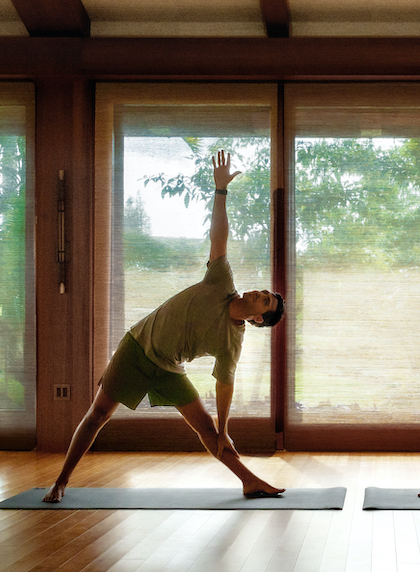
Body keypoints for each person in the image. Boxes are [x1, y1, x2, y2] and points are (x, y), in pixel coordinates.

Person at [44, 150, 286, 501]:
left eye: (264, 300)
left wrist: (224, 428)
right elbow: (219, 236)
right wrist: (221, 191)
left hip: (168, 369)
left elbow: (224, 385)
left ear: (258, 317)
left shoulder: (232, 341)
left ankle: (249, 481)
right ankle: (61, 481)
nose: (259, 292)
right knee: (97, 414)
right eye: (264, 291)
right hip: (137, 347)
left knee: (208, 430)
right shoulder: (221, 280)